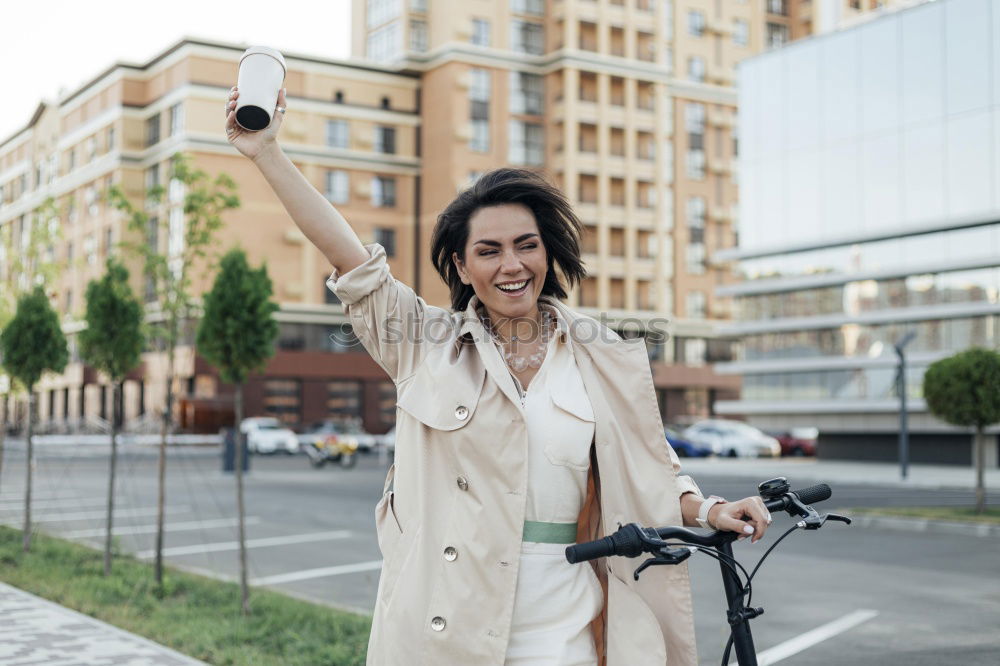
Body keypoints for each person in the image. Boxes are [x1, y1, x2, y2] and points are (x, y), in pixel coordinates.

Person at [225, 87, 771, 666]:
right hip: (449, 613)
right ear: (462, 265)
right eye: (488, 251)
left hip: (567, 612)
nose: (511, 265)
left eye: (526, 246)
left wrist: (710, 509)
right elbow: (351, 260)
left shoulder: (601, 355)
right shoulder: (423, 345)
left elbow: (650, 465)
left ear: (548, 254)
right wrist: (267, 152)